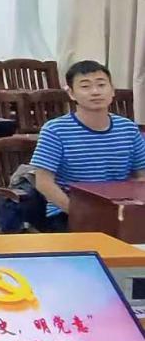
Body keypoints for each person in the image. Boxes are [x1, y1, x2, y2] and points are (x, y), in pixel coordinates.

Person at [30, 60, 145, 231]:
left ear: (112, 90)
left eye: (101, 85)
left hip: (120, 211)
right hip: (69, 212)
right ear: (71, 93)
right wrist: (78, 213)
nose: (95, 92)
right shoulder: (55, 130)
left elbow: (141, 176)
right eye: (85, 86)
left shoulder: (128, 128)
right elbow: (44, 182)